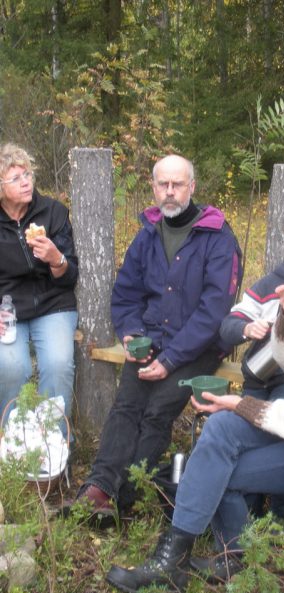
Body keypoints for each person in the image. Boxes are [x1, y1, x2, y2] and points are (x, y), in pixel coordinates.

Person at [105, 216, 284, 593]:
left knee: (224, 469)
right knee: (219, 429)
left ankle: (227, 557)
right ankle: (182, 558)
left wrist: (243, 404)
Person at [71, 154, 242, 518]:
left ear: (191, 187)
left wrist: (169, 360)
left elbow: (214, 313)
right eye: (162, 184)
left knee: (156, 411)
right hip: (151, 340)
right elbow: (126, 294)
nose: (169, 192)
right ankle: (100, 487)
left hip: (197, 347)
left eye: (177, 184)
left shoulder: (218, 237)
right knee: (127, 405)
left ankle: (125, 497)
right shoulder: (148, 234)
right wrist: (132, 335)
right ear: (152, 187)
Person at [219, 216, 284, 518]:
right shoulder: (268, 285)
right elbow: (229, 324)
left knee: (279, 438)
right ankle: (247, 509)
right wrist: (247, 329)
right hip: (257, 379)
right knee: (243, 435)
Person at [0, 143, 78, 431]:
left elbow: (71, 274)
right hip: (7, 309)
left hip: (53, 303)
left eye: (28, 174)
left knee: (58, 365)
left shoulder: (53, 212)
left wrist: (56, 258)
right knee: (11, 368)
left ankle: (54, 444)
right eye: (16, 178)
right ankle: (15, 444)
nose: (26, 182)